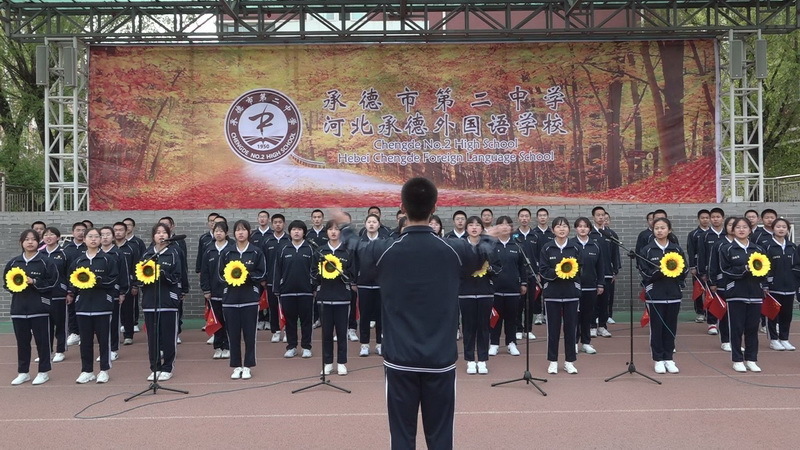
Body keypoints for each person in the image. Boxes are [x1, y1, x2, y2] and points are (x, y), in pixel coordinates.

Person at [358, 177, 485, 450]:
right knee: (441, 437)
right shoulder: (456, 249)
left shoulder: (382, 249)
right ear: (434, 208)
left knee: (402, 437)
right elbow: (479, 257)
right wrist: (487, 237)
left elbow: (363, 262)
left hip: (400, 357)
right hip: (439, 358)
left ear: (402, 208)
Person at [5, 229, 58, 385]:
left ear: (38, 242)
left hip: (39, 309)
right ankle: (23, 372)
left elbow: (53, 282)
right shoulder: (14, 262)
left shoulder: (46, 262)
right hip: (19, 309)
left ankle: (43, 371)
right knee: (22, 342)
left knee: (42, 342)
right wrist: (16, 285)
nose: (30, 242)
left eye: (33, 239)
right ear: (21, 242)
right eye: (26, 239)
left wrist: (34, 282)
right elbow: (6, 283)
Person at [67, 228, 119, 384]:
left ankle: (104, 370)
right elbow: (71, 281)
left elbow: (113, 279)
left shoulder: (108, 259)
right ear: (84, 240)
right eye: (90, 236)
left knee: (104, 340)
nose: (94, 239)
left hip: (102, 306)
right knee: (85, 341)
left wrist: (98, 280)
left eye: (97, 236)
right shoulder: (78, 261)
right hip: (83, 307)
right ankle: (87, 371)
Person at [639, 217, 688, 374]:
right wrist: (658, 272)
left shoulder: (676, 249)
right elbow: (644, 272)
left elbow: (684, 270)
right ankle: (658, 359)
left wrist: (677, 279)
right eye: (657, 228)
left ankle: (669, 358)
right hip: (655, 295)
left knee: (671, 327)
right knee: (657, 327)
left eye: (663, 228)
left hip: (673, 294)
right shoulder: (647, 250)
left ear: (669, 230)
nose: (659, 231)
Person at [719, 217, 768, 372]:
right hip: (736, 294)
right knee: (736, 328)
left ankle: (751, 359)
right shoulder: (727, 248)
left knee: (752, 328)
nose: (741, 230)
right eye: (738, 227)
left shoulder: (758, 249)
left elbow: (766, 269)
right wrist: (744, 269)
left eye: (745, 227)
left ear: (750, 230)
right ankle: (737, 359)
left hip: (755, 294)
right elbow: (725, 270)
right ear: (732, 230)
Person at [219, 220, 267, 379]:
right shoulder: (227, 252)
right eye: (238, 230)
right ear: (233, 233)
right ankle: (236, 366)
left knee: (249, 335)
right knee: (233, 335)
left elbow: (262, 273)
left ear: (249, 232)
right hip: (230, 300)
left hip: (250, 299)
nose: (240, 233)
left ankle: (247, 366)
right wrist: (231, 278)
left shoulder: (256, 252)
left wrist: (247, 276)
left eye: (243, 230)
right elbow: (220, 275)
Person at [136, 222, 182, 381]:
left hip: (168, 301)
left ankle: (168, 367)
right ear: (153, 236)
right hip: (150, 301)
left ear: (169, 235)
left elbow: (177, 277)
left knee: (168, 337)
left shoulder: (174, 253)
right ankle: (155, 368)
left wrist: (163, 274)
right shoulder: (147, 254)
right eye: (158, 232)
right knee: (152, 338)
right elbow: (139, 277)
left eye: (164, 232)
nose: (161, 235)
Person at [539, 217, 582, 374]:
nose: (561, 229)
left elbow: (580, 268)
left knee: (570, 329)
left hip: (571, 294)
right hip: (552, 294)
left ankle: (569, 361)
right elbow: (543, 270)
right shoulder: (547, 248)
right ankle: (553, 361)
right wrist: (559, 271)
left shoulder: (575, 247)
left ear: (569, 229)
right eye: (558, 226)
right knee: (553, 330)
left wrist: (571, 274)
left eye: (564, 226)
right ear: (553, 230)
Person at [459, 216, 500, 375]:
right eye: (471, 225)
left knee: (484, 327)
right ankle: (470, 360)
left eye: (477, 225)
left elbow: (498, 267)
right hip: (466, 292)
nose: (474, 227)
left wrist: (490, 270)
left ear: (482, 228)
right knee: (468, 327)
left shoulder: (488, 246)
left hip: (485, 292)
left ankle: (482, 360)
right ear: (466, 228)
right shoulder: (461, 246)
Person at [313, 220, 355, 375]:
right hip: (324, 297)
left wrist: (343, 274)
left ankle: (342, 362)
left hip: (342, 297)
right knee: (326, 333)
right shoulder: (320, 252)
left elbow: (353, 273)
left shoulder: (347, 251)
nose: (333, 232)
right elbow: (313, 272)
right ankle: (328, 362)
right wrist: (321, 275)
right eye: (330, 229)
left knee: (342, 332)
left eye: (337, 229)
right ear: (327, 232)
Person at [273, 220, 315, 359]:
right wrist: (277, 288)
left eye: (299, 229)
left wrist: (314, 287)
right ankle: (291, 346)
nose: (296, 232)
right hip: (287, 291)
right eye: (294, 229)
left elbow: (315, 270)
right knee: (290, 321)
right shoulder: (283, 249)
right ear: (290, 232)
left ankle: (306, 347)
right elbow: (277, 270)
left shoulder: (310, 249)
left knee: (306, 321)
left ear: (304, 232)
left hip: (306, 291)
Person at [488, 216, 527, 357]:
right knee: (495, 318)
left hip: (513, 289)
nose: (504, 227)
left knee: (512, 318)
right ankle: (494, 343)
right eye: (501, 224)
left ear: (511, 228)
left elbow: (522, 267)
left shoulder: (517, 246)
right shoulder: (491, 246)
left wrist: (523, 283)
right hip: (496, 289)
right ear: (496, 227)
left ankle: (511, 343)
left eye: (507, 224)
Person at [763, 218, 799, 351]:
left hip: (789, 287)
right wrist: (765, 284)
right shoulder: (767, 246)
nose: (781, 229)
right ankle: (773, 340)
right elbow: (763, 267)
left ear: (788, 230)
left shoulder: (792, 247)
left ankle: (784, 339)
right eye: (778, 226)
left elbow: (797, 266)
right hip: (773, 287)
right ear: (773, 228)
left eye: (784, 227)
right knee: (772, 314)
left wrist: (795, 282)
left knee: (786, 315)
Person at [200, 221, 234, 359]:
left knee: (228, 321)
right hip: (213, 293)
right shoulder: (209, 250)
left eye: (221, 231)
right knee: (216, 320)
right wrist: (206, 290)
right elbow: (204, 272)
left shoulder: (232, 249)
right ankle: (218, 346)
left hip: (229, 292)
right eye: (216, 231)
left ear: (226, 233)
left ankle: (227, 346)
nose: (218, 233)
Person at [571, 217, 603, 355]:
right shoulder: (571, 244)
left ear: (589, 228)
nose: (582, 229)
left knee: (587, 316)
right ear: (575, 228)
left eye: (585, 226)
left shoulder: (595, 245)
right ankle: (573, 342)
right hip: (574, 287)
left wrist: (600, 283)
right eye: (580, 226)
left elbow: (600, 266)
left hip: (591, 287)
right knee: (574, 316)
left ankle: (586, 342)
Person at [355, 214, 384, 356]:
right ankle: (364, 344)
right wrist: (354, 280)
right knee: (365, 316)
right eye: (369, 222)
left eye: (374, 222)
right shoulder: (359, 242)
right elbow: (354, 262)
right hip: (364, 285)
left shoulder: (385, 242)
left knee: (381, 316)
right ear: (365, 224)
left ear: (379, 224)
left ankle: (380, 343)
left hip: (381, 285)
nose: (371, 224)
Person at [39, 227, 69, 363]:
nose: (48, 237)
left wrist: (69, 292)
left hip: (59, 294)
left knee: (60, 324)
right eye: (46, 235)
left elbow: (69, 273)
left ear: (58, 237)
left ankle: (60, 350)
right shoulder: (39, 254)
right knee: (45, 326)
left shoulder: (63, 253)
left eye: (51, 234)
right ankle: (47, 352)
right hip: (44, 294)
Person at [589, 206, 619, 337]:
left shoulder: (611, 234)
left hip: (607, 273)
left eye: (602, 215)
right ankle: (592, 326)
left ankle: (602, 326)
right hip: (592, 275)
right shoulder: (589, 234)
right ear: (593, 217)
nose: (601, 217)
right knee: (593, 302)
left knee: (604, 302)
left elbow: (615, 254)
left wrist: (615, 270)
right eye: (598, 215)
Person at [697, 207, 726, 335]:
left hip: (726, 272)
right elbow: (701, 254)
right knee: (712, 297)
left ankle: (724, 322)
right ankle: (712, 323)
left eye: (718, 217)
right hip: (710, 273)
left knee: (724, 297)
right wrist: (703, 272)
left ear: (723, 219)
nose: (715, 219)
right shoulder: (705, 235)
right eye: (713, 217)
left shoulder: (727, 234)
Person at [262, 214, 290, 339]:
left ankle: (288, 331)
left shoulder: (289, 240)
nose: (278, 224)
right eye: (275, 222)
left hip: (287, 280)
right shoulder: (267, 241)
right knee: (273, 307)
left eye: (280, 222)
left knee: (287, 307)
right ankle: (276, 331)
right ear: (272, 224)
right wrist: (263, 278)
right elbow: (262, 261)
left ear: (284, 224)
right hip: (271, 281)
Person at [515, 207, 538, 341]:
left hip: (532, 274)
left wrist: (538, 272)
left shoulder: (535, 235)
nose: (524, 218)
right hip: (518, 275)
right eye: (522, 216)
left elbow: (539, 255)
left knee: (530, 303)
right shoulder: (514, 235)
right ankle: (518, 328)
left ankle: (528, 329)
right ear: (518, 218)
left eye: (526, 216)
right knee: (518, 304)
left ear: (530, 218)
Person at [63, 221, 87, 347]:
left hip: (86, 284)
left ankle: (85, 334)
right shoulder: (66, 249)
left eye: (83, 230)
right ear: (73, 232)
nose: (81, 233)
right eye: (78, 230)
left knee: (85, 310)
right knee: (71, 310)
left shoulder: (89, 247)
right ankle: (74, 333)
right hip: (71, 284)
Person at [687, 209, 711, 323]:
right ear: (698, 219)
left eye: (707, 218)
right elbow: (690, 251)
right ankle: (700, 313)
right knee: (698, 291)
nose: (705, 220)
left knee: (710, 290)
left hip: (711, 266)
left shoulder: (713, 233)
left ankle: (710, 312)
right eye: (702, 218)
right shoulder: (693, 234)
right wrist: (692, 267)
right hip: (697, 267)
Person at [532, 208, 554, 325]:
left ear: (548, 217)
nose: (542, 217)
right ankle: (538, 314)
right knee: (537, 292)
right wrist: (537, 270)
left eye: (544, 215)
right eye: (540, 215)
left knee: (548, 291)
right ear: (537, 218)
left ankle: (546, 314)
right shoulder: (533, 233)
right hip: (537, 268)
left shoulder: (552, 233)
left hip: (550, 268)